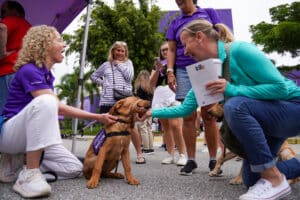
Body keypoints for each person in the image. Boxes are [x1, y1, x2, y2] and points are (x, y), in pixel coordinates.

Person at [139, 19, 300, 200]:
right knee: (252, 178)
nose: (184, 51)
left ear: (199, 37)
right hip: (268, 122)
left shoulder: (240, 51)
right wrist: (151, 112)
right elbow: (186, 109)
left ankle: (274, 179)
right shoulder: (205, 72)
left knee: (235, 106)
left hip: (293, 108)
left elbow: (281, 88)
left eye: (185, 44)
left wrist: (231, 90)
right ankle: (277, 172)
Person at [0, 25, 117, 198]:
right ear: (44, 44)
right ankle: (29, 173)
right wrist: (99, 116)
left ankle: (18, 166)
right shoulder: (29, 70)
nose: (64, 44)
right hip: (9, 135)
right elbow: (55, 105)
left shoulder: (46, 75)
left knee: (74, 168)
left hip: (29, 137)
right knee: (47, 101)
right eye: (59, 40)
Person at [166, 0, 222, 175]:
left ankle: (214, 160)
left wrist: (219, 65)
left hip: (206, 66)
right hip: (183, 70)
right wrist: (170, 71)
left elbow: (218, 38)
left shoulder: (209, 12)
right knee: (188, 115)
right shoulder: (175, 22)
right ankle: (191, 160)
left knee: (209, 114)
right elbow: (172, 49)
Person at [90, 41, 145, 164]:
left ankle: (139, 154)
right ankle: (111, 153)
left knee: (131, 127)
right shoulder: (105, 65)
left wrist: (119, 65)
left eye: (122, 51)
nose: (120, 53)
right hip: (107, 99)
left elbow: (129, 77)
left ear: (125, 52)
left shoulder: (128, 63)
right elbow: (93, 76)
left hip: (124, 100)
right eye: (118, 50)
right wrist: (103, 83)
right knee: (109, 127)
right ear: (113, 51)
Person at [150, 41, 187, 166]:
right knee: (165, 127)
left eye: (167, 49)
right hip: (160, 94)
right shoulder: (158, 65)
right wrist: (157, 70)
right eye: (163, 50)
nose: (165, 52)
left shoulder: (178, 62)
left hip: (175, 92)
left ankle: (182, 154)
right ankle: (170, 154)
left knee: (176, 124)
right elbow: (151, 84)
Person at [0, 0, 31, 114]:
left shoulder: (10, 19)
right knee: (19, 112)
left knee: (4, 112)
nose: (2, 14)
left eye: (3, 11)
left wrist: (2, 53)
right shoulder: (29, 26)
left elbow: (1, 27)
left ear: (15, 11)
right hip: (25, 72)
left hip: (7, 71)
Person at [134, 70, 154, 154]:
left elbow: (138, 99)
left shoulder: (139, 87)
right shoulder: (151, 87)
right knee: (149, 128)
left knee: (143, 128)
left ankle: (146, 148)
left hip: (142, 108)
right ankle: (150, 147)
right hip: (150, 108)